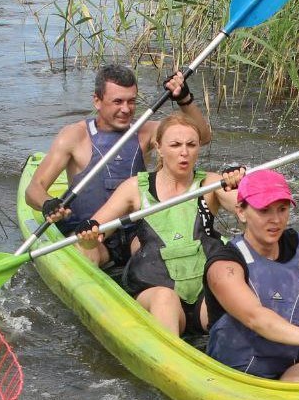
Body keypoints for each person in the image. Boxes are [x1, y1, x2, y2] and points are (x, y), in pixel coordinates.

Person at [25, 63, 212, 266]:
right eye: (117, 101)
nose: (126, 109)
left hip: (135, 232)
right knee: (87, 255)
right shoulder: (74, 136)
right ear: (97, 101)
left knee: (162, 251)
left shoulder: (145, 132)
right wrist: (47, 203)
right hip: (91, 234)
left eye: (131, 101)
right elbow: (34, 189)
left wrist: (184, 99)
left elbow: (201, 137)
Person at [76, 113, 241, 335]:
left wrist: (242, 185)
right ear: (159, 148)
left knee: (229, 287)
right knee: (165, 298)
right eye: (175, 145)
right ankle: (171, 362)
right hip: (156, 290)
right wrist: (87, 239)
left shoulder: (210, 183)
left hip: (204, 291)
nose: (184, 152)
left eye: (191, 145)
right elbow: (96, 231)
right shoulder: (135, 188)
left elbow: (246, 209)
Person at [204, 169, 299, 382]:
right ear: (241, 212)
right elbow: (255, 317)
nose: (276, 220)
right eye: (264, 210)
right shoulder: (224, 263)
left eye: (282, 209)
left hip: (293, 362)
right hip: (239, 371)